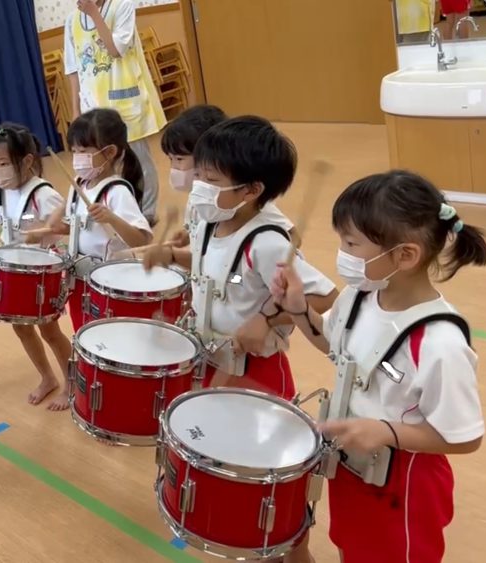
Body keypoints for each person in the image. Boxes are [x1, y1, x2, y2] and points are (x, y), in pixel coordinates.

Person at [272, 170, 486, 563]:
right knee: (353, 549)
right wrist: (299, 310)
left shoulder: (439, 342)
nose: (342, 254)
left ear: (405, 255)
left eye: (351, 243)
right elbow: (337, 351)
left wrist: (386, 430)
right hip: (351, 466)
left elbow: (464, 437)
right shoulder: (361, 296)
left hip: (404, 485)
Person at [144, 116, 336, 401]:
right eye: (198, 176)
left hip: (256, 369)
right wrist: (172, 255)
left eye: (211, 180)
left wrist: (266, 319)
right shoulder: (211, 223)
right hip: (210, 356)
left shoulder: (266, 243)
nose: (199, 187)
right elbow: (211, 265)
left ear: (251, 190)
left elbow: (326, 296)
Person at [0, 123, 73, 410]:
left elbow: (70, 225)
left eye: (4, 163)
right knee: (21, 329)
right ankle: (47, 377)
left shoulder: (43, 194)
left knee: (49, 331)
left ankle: (71, 383)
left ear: (27, 161)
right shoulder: (0, 189)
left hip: (42, 276)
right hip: (13, 270)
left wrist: (47, 231)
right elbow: (7, 218)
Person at [47, 108, 151, 343]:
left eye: (83, 151)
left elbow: (143, 241)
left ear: (110, 152)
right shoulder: (80, 185)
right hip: (81, 281)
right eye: (73, 151)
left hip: (109, 284)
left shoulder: (117, 192)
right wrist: (58, 223)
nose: (76, 158)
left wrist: (112, 218)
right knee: (85, 339)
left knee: (109, 343)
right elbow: (75, 228)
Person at [64, 0, 166, 225]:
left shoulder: (122, 6)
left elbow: (115, 49)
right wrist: (75, 109)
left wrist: (94, 13)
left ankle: (146, 213)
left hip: (124, 99)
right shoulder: (72, 20)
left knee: (137, 159)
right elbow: (73, 69)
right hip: (92, 105)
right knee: (100, 161)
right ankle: (113, 208)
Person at [160, 104, 299, 249]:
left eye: (179, 159)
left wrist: (275, 259)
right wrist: (188, 234)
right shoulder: (199, 193)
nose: (173, 167)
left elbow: (294, 237)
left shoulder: (247, 202)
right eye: (170, 159)